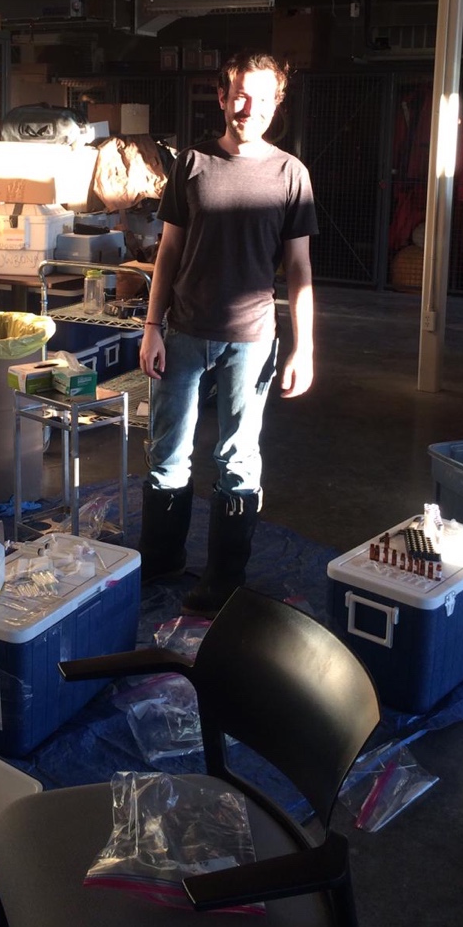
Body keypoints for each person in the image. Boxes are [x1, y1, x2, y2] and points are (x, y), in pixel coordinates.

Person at [137, 51, 318, 615]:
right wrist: (151, 327)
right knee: (168, 453)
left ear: (276, 104)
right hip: (184, 331)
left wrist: (303, 346)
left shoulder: (291, 174)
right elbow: (167, 252)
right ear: (221, 97)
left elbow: (299, 270)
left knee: (239, 456)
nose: (248, 107)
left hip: (252, 338)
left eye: (262, 98)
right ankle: (161, 560)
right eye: (239, 94)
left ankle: (223, 579)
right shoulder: (191, 164)